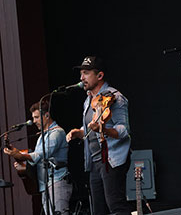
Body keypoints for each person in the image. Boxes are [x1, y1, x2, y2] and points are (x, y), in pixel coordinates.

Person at [66, 56, 131, 215]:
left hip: (111, 159)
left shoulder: (115, 97)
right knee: (98, 210)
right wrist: (79, 132)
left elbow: (124, 130)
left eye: (86, 73)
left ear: (99, 76)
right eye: (81, 74)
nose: (82, 78)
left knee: (116, 206)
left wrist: (104, 130)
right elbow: (90, 129)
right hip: (95, 161)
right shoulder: (88, 100)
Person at [4, 100, 72, 215]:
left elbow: (41, 154)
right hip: (46, 184)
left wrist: (21, 155)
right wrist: (21, 161)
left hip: (57, 182)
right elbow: (37, 160)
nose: (34, 121)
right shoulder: (42, 135)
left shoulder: (57, 133)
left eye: (36, 117)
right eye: (33, 118)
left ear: (47, 115)